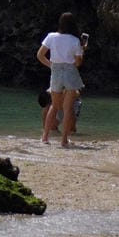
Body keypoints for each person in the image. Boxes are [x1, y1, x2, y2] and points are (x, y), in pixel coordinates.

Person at [37, 12, 86, 147]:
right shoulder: (75, 40)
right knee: (67, 108)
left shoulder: (51, 36)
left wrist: (51, 65)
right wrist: (82, 50)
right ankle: (64, 140)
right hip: (70, 72)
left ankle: (45, 137)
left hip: (56, 71)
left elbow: (40, 55)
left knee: (54, 105)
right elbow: (78, 63)